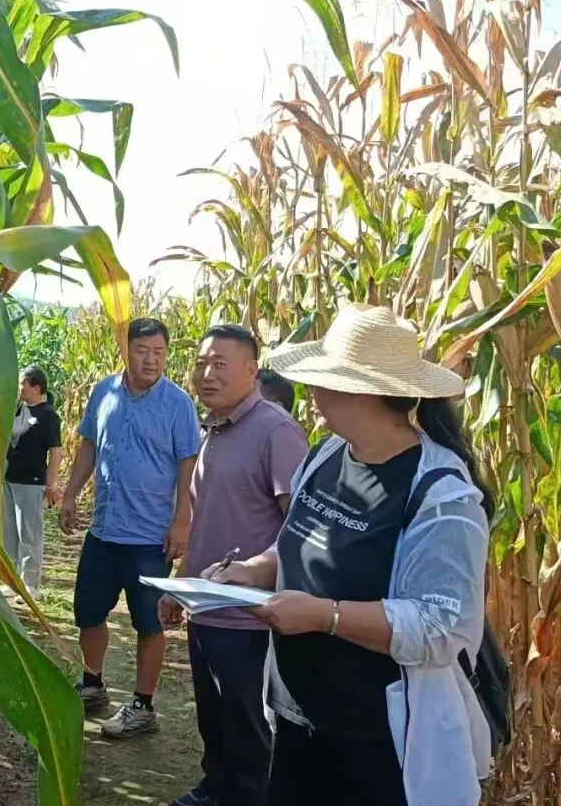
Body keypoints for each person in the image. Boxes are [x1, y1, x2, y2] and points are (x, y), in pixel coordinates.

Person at [205, 304, 493, 806]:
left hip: (377, 736)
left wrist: (325, 616)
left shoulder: (440, 495)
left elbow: (442, 626)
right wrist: (252, 571)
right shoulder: (325, 455)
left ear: (357, 391)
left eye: (321, 381)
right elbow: (301, 543)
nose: (311, 394)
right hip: (297, 715)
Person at [161, 325, 308, 806]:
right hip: (206, 609)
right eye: (201, 363)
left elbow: (301, 530)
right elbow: (204, 518)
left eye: (219, 364)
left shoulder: (275, 431)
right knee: (214, 719)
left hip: (250, 619)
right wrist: (180, 584)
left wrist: (257, 577)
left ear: (252, 370)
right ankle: (215, 788)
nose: (206, 374)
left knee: (248, 733)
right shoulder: (214, 429)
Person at [60, 317, 200, 739]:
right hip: (104, 529)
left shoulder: (177, 404)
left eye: (159, 352)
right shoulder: (104, 392)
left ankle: (143, 705)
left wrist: (182, 521)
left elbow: (188, 465)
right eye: (143, 350)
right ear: (127, 350)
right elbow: (89, 445)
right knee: (88, 612)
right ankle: (92, 683)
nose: (151, 360)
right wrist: (70, 494)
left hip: (150, 536)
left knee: (149, 622)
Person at [2, 366, 62, 598]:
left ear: (36, 388)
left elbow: (55, 452)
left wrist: (51, 485)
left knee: (29, 534)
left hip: (32, 482)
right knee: (10, 533)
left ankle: (30, 583)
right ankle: (11, 580)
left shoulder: (48, 416)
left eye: (22, 384)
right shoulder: (16, 410)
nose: (19, 388)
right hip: (9, 479)